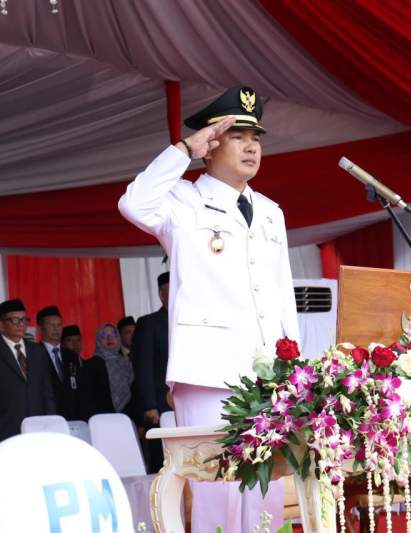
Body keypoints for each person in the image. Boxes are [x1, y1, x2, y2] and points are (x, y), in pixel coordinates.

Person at [118, 85, 298, 532]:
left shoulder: (271, 212)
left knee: (266, 491)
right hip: (207, 370)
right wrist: (182, 149)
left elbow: (282, 295)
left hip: (267, 375)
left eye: (255, 136)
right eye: (236, 135)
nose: (251, 145)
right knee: (216, 490)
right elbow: (133, 203)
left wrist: (293, 368)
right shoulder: (181, 201)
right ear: (210, 144)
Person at [0, 299, 56, 441]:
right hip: (6, 430)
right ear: (1, 325)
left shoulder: (38, 351)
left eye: (24, 320)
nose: (21, 324)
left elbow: (47, 392)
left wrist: (51, 422)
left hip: (38, 429)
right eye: (14, 320)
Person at [133, 271, 170, 473]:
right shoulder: (149, 323)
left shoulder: (188, 321)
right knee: (162, 461)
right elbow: (143, 366)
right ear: (162, 295)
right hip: (160, 404)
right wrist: (149, 405)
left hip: (185, 403)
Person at [36, 306, 80, 419]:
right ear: (40, 329)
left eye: (59, 325)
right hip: (47, 417)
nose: (56, 329)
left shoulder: (72, 355)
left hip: (73, 417)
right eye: (51, 325)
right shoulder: (34, 354)